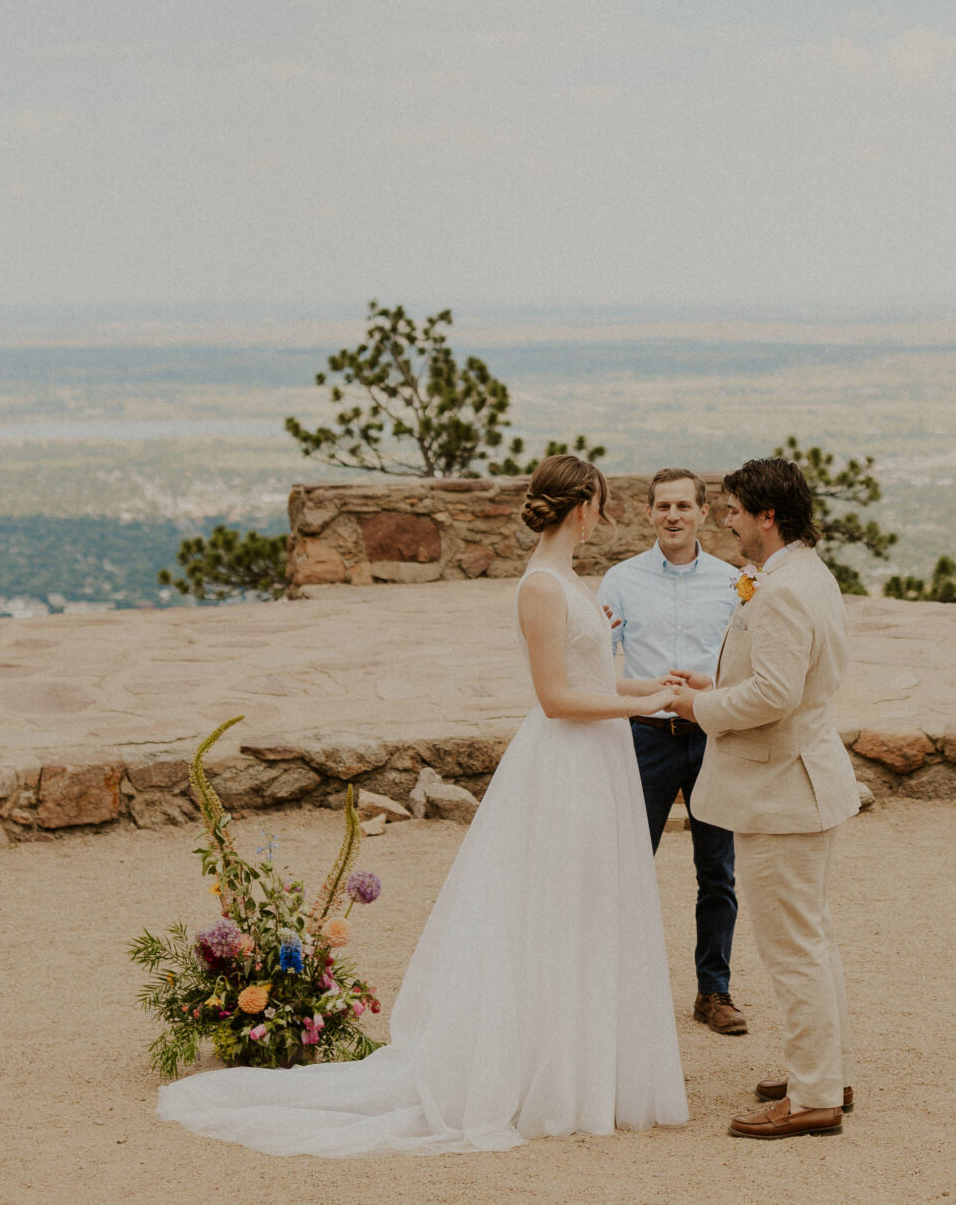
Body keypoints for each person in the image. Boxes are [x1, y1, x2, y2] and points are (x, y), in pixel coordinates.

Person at [155, 455, 689, 1156]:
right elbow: (556, 699)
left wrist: (651, 683)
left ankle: (587, 1068)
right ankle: (545, 1074)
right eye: (600, 502)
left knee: (591, 905)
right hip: (568, 763)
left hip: (602, 760)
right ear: (581, 505)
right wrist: (643, 703)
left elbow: (597, 673)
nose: (603, 513)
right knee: (553, 906)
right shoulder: (539, 585)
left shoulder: (574, 580)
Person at [668, 457, 860, 1139]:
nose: (726, 520)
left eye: (733, 510)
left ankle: (812, 1098)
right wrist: (714, 679)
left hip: (781, 787)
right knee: (813, 934)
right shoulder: (808, 572)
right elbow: (787, 675)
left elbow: (776, 694)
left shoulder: (778, 588)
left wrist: (700, 705)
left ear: (766, 516)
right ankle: (824, 1071)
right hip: (805, 775)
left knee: (792, 946)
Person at [598, 468, 747, 1037]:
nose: (673, 515)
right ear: (649, 513)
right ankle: (622, 991)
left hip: (713, 738)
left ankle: (714, 992)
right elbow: (595, 661)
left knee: (718, 872)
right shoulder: (620, 580)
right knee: (629, 866)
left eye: (684, 505)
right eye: (663, 506)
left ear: (704, 513)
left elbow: (745, 662)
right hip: (646, 740)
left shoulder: (734, 583)